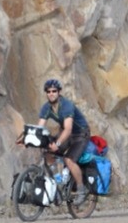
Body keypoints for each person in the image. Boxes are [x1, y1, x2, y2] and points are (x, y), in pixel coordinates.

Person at [36, 78, 90, 206]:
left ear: (59, 92)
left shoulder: (66, 105)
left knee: (68, 159)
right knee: (48, 152)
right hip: (66, 133)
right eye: (48, 91)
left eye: (54, 91)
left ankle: (82, 189)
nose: (51, 93)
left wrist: (58, 144)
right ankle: (57, 181)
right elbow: (39, 127)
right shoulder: (46, 108)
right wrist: (26, 139)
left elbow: (68, 129)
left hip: (80, 134)